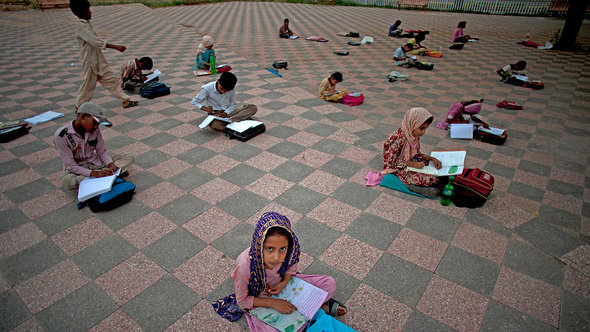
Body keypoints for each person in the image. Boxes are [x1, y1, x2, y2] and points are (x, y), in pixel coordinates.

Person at [213, 212, 347, 331]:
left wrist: (284, 282)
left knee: (329, 283)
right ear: (259, 245)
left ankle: (309, 313)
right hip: (261, 297)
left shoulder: (289, 252)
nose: (277, 257)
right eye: (269, 249)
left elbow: (291, 266)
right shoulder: (245, 265)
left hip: (284, 286)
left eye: (282, 249)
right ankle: (317, 310)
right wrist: (273, 303)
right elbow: (242, 301)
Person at [69, 0, 137, 109]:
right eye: (88, 10)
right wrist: (116, 47)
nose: (90, 12)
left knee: (112, 81)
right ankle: (80, 106)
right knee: (88, 86)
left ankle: (125, 100)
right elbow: (95, 41)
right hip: (90, 62)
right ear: (82, 12)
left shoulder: (85, 24)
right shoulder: (81, 26)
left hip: (99, 60)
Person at [53, 102, 135, 190]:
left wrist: (110, 164)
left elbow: (102, 152)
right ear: (83, 116)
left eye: (98, 124)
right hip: (79, 171)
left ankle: (101, 179)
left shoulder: (95, 130)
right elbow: (70, 166)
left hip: (96, 164)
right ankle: (108, 177)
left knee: (128, 156)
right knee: (67, 181)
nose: (96, 127)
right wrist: (94, 173)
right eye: (94, 122)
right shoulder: (61, 136)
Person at [381, 107, 442, 198]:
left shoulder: (413, 136)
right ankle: (413, 187)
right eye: (421, 128)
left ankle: (417, 185)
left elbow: (416, 154)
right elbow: (390, 162)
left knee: (432, 170)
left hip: (409, 163)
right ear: (412, 123)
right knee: (431, 179)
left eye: (425, 128)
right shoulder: (398, 138)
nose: (423, 132)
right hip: (398, 167)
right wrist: (412, 164)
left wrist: (431, 158)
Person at [192, 72, 257, 131]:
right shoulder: (207, 88)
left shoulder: (231, 88)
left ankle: (231, 121)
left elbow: (233, 105)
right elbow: (195, 101)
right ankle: (238, 120)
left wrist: (225, 113)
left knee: (253, 108)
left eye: (226, 91)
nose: (223, 92)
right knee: (215, 126)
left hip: (229, 111)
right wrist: (205, 108)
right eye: (222, 89)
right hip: (216, 114)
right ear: (218, 81)